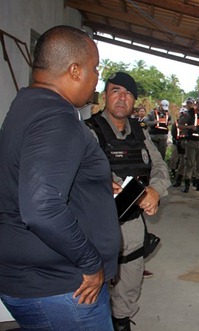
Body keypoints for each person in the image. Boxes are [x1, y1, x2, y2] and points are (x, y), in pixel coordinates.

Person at [0, 25, 121, 330]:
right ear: (75, 71)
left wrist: (90, 183)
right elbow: (41, 206)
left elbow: (28, 175)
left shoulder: (27, 104)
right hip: (63, 288)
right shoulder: (58, 118)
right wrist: (91, 263)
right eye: (94, 69)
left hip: (32, 276)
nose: (96, 79)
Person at [85, 72, 170, 330]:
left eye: (128, 93)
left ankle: (121, 321)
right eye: (115, 91)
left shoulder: (140, 133)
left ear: (134, 100)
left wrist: (154, 191)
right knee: (91, 289)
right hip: (95, 225)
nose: (122, 98)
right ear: (105, 96)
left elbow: (159, 168)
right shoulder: (88, 131)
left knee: (129, 282)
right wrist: (134, 191)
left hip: (131, 223)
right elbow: (90, 171)